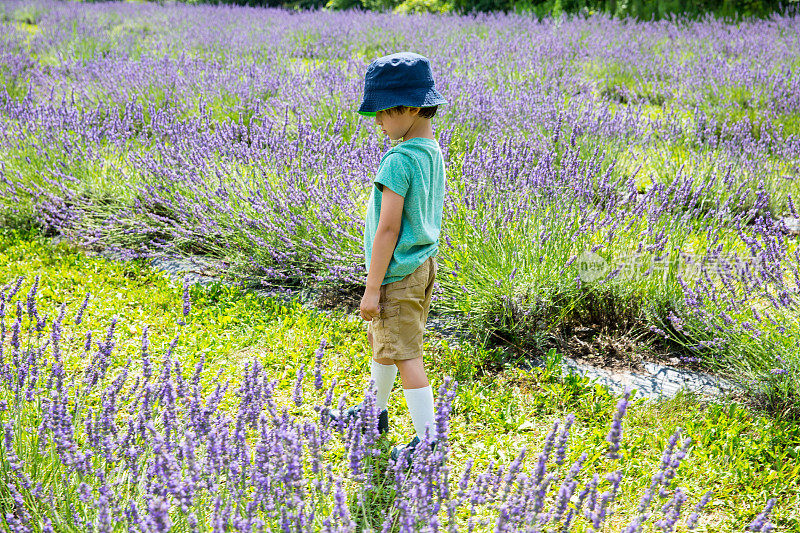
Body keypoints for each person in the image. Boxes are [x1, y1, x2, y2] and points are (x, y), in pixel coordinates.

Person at [329, 52, 447, 462]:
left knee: (405, 354)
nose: (377, 121)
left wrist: (372, 288)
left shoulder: (398, 160)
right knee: (385, 343)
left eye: (382, 111)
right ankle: (373, 414)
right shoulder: (431, 150)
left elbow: (388, 229)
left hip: (397, 272)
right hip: (422, 264)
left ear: (411, 108)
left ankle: (430, 441)